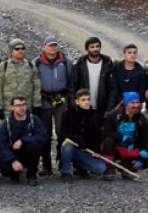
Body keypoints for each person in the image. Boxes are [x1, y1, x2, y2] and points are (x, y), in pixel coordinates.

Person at [32, 36, 78, 176]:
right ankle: (46, 166)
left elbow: (72, 84)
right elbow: (33, 83)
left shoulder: (66, 63)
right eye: (50, 45)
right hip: (44, 101)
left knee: (62, 132)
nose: (52, 48)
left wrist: (70, 102)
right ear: (44, 47)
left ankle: (63, 164)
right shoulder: (36, 63)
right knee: (44, 134)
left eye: (55, 45)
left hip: (61, 102)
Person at [102, 92, 148, 175]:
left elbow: (146, 140)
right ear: (126, 104)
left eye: (137, 102)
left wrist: (141, 158)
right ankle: (109, 166)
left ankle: (128, 167)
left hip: (131, 148)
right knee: (108, 141)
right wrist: (122, 138)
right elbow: (106, 132)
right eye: (132, 103)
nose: (136, 105)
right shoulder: (113, 115)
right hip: (116, 147)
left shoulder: (142, 119)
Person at [0, 96, 47, 186]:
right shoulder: (6, 123)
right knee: (5, 170)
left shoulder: (34, 119)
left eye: (24, 105)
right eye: (18, 105)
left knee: (35, 146)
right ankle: (15, 174)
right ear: (12, 107)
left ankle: (31, 175)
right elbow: (1, 145)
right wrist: (13, 160)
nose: (22, 108)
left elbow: (42, 136)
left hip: (29, 153)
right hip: (13, 154)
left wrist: (23, 140)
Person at [58, 89, 107, 182]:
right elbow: (63, 135)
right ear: (77, 102)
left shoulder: (95, 116)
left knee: (101, 168)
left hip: (86, 151)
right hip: (71, 149)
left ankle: (80, 166)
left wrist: (96, 150)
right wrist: (77, 139)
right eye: (83, 100)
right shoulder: (67, 114)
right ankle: (66, 172)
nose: (87, 102)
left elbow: (98, 136)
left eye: (88, 99)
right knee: (67, 146)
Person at [0, 39, 40, 113]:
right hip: (8, 109)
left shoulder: (31, 66)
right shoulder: (3, 67)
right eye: (17, 49)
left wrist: (37, 104)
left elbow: (36, 86)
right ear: (11, 51)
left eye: (22, 48)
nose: (20, 50)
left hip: (26, 108)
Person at [72, 37, 114, 116]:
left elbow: (112, 88)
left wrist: (109, 109)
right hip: (83, 108)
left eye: (97, 46)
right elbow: (73, 87)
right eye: (92, 47)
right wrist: (74, 107)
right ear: (86, 49)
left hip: (102, 108)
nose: (95, 49)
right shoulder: (80, 65)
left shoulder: (107, 64)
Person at [107, 44, 146, 111]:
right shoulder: (116, 69)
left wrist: (134, 102)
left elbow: (141, 91)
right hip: (117, 104)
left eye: (134, 52)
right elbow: (113, 88)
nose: (132, 55)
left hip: (134, 106)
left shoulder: (141, 72)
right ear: (124, 54)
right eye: (129, 52)